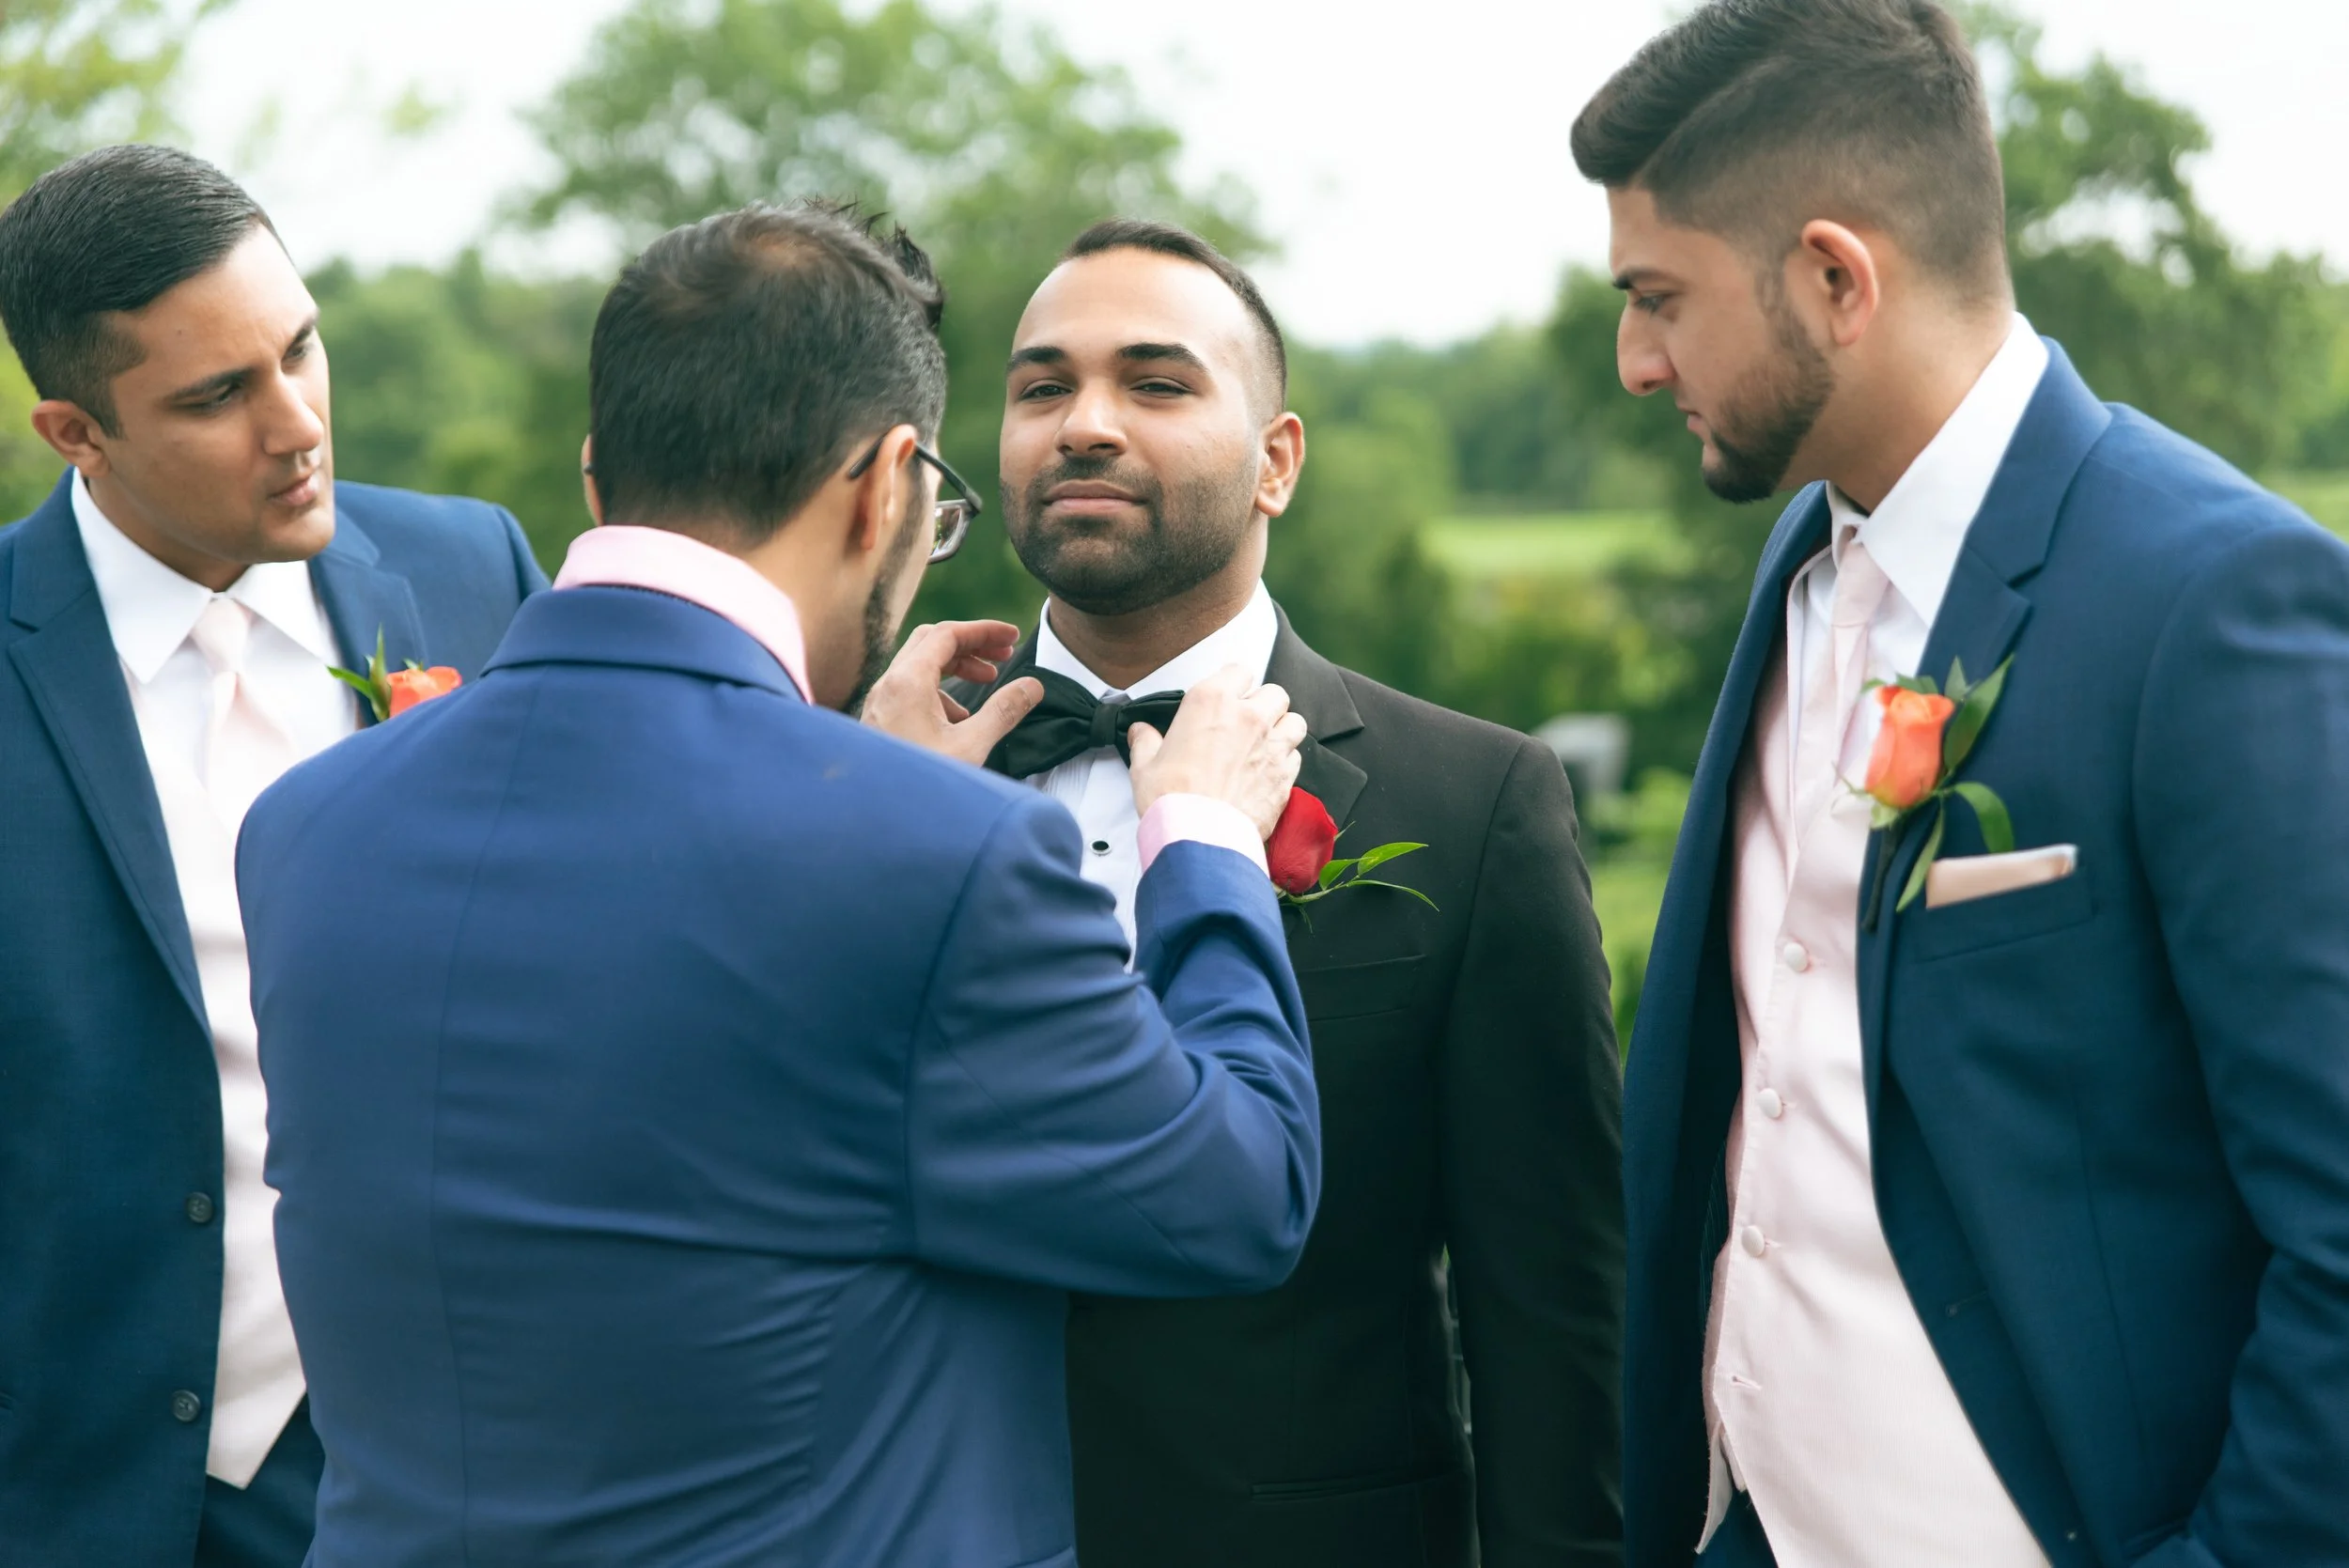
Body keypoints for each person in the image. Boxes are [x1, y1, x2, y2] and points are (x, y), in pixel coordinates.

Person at [237, 200, 1323, 1568]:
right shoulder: (943, 856)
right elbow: (1233, 1198)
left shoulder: (306, 824)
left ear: (596, 476)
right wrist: (1207, 841)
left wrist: (866, 794)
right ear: (886, 488)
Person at [1574, 3, 2349, 1564]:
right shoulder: (1803, 561)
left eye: (1661, 299)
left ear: (1835, 279)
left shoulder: (2216, 603)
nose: (1637, 364)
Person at [943, 219, 1624, 1568]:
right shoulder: (880, 771)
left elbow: (1553, 1311)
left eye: (1156, 383)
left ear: (1277, 461)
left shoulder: (1473, 804)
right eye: (1042, 387)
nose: (1085, 424)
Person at [0, 146, 545, 1568]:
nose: (297, 423)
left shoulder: (477, 574)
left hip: (466, 1466)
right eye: (218, 395)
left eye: (300, 348)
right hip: (89, 1486)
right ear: (76, 432)